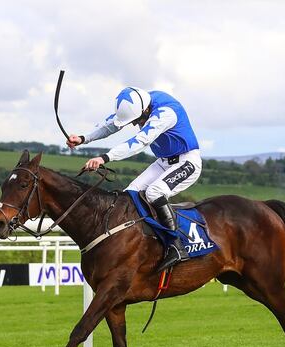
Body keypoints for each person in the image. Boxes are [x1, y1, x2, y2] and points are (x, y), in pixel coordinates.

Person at [66, 87, 202, 271]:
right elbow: (112, 124)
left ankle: (176, 245)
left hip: (187, 161)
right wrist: (84, 138)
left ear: (145, 110)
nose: (134, 124)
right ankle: (144, 243)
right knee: (130, 195)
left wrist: (104, 158)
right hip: (163, 161)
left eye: (137, 120)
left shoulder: (165, 113)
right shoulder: (140, 103)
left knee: (155, 192)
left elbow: (138, 142)